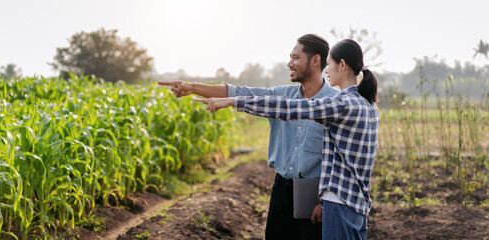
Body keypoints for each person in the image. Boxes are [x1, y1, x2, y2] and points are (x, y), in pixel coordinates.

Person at [158, 34, 339, 240]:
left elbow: (342, 160)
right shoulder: (281, 95)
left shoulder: (335, 103)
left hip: (315, 194)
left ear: (315, 60)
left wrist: (326, 201)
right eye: (290, 57)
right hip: (281, 189)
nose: (290, 63)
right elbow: (239, 91)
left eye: (296, 58)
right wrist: (192, 87)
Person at [196, 39, 379, 240]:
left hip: (339, 204)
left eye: (330, 63)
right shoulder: (369, 105)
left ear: (342, 65)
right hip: (356, 204)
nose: (327, 69)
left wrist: (233, 101)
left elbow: (294, 108)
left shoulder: (342, 104)